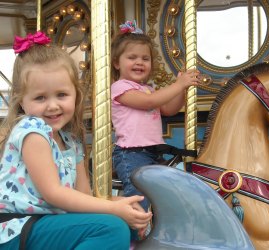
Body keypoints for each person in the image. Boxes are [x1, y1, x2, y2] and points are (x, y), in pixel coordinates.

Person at [0, 31, 152, 250]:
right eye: (40, 98)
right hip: (18, 227)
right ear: (22, 102)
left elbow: (83, 197)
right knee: (111, 228)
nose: (52, 105)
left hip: (47, 224)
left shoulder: (71, 141)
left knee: (127, 220)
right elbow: (54, 193)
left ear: (75, 95)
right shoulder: (31, 132)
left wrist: (121, 204)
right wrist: (113, 209)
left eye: (61, 95)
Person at [111, 20, 201, 212]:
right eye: (132, 57)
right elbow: (149, 103)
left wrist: (182, 90)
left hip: (153, 153)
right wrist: (178, 85)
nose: (139, 62)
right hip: (131, 154)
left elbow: (169, 109)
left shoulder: (148, 89)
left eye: (145, 58)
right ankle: (132, 236)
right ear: (116, 63)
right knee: (138, 196)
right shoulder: (119, 88)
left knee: (164, 196)